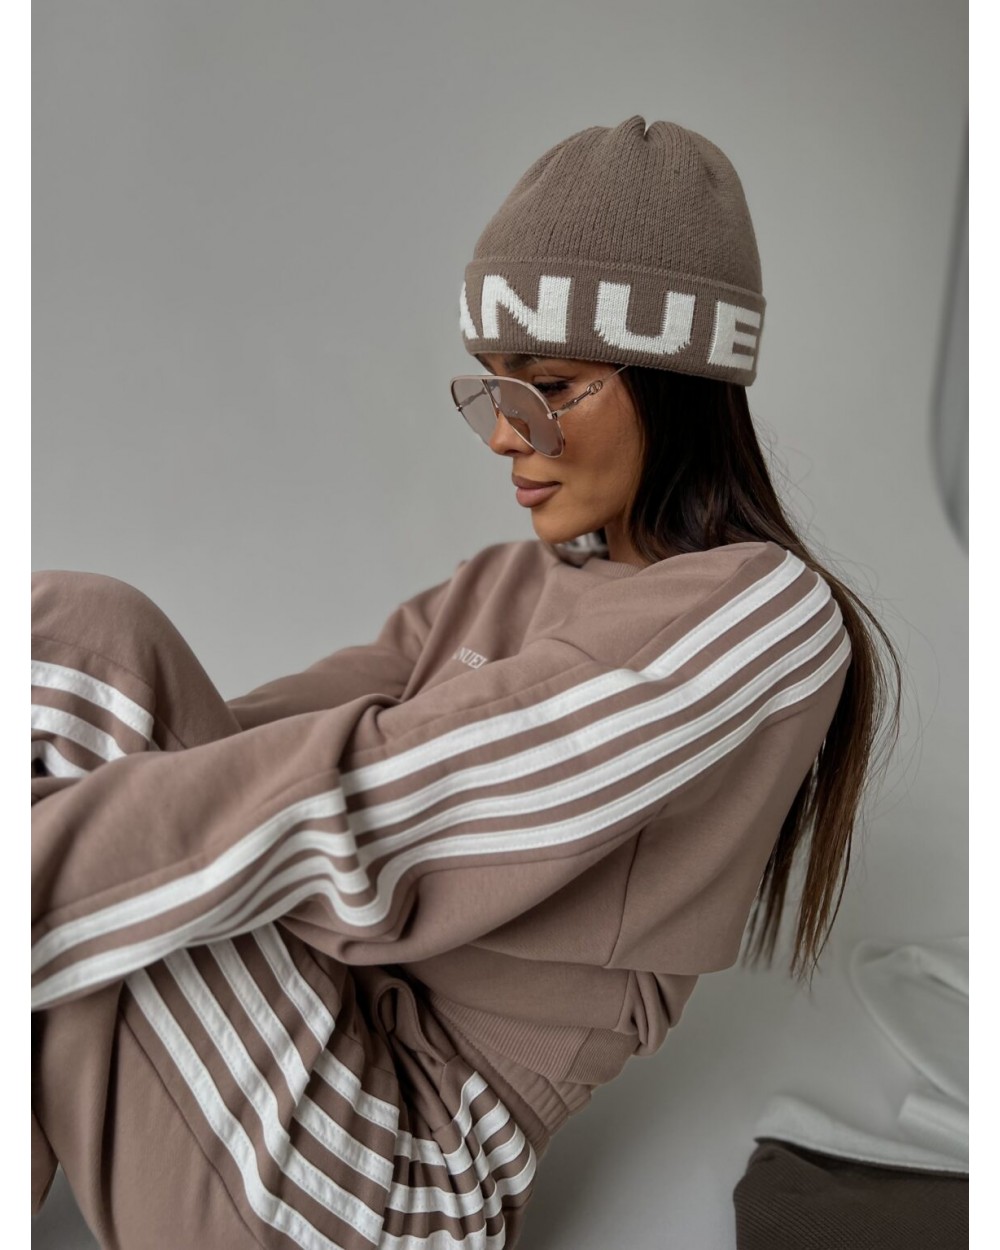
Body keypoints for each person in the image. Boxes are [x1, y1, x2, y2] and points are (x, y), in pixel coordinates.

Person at [31, 115, 902, 1249]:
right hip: (289, 1045)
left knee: (77, 650)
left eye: (547, 386)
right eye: (491, 388)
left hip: (389, 1178)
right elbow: (204, 756)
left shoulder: (763, 615)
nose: (502, 434)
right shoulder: (497, 586)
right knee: (92, 647)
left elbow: (390, 807)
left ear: (679, 381)